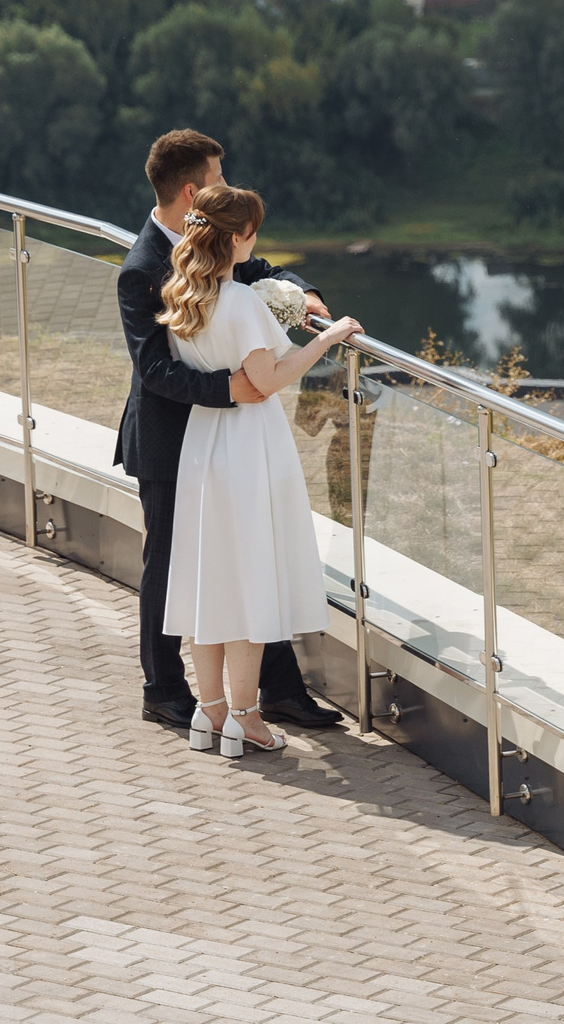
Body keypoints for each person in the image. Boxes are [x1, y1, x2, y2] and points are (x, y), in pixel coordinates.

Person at [115, 129, 343, 734]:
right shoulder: (140, 268)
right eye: (219, 178)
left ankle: (278, 691)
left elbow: (260, 268)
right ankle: (164, 690)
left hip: (228, 441)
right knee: (168, 567)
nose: (228, 186)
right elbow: (153, 371)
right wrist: (233, 390)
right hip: (169, 442)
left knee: (249, 557)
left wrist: (307, 296)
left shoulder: (216, 241)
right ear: (194, 192)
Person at [157, 185, 363, 756]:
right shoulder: (242, 303)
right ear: (236, 237)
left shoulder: (184, 292)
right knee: (248, 579)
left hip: (203, 441)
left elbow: (237, 378)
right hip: (248, 447)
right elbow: (267, 380)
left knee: (210, 582)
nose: (258, 242)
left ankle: (210, 709)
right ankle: (245, 720)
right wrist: (328, 336)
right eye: (253, 233)